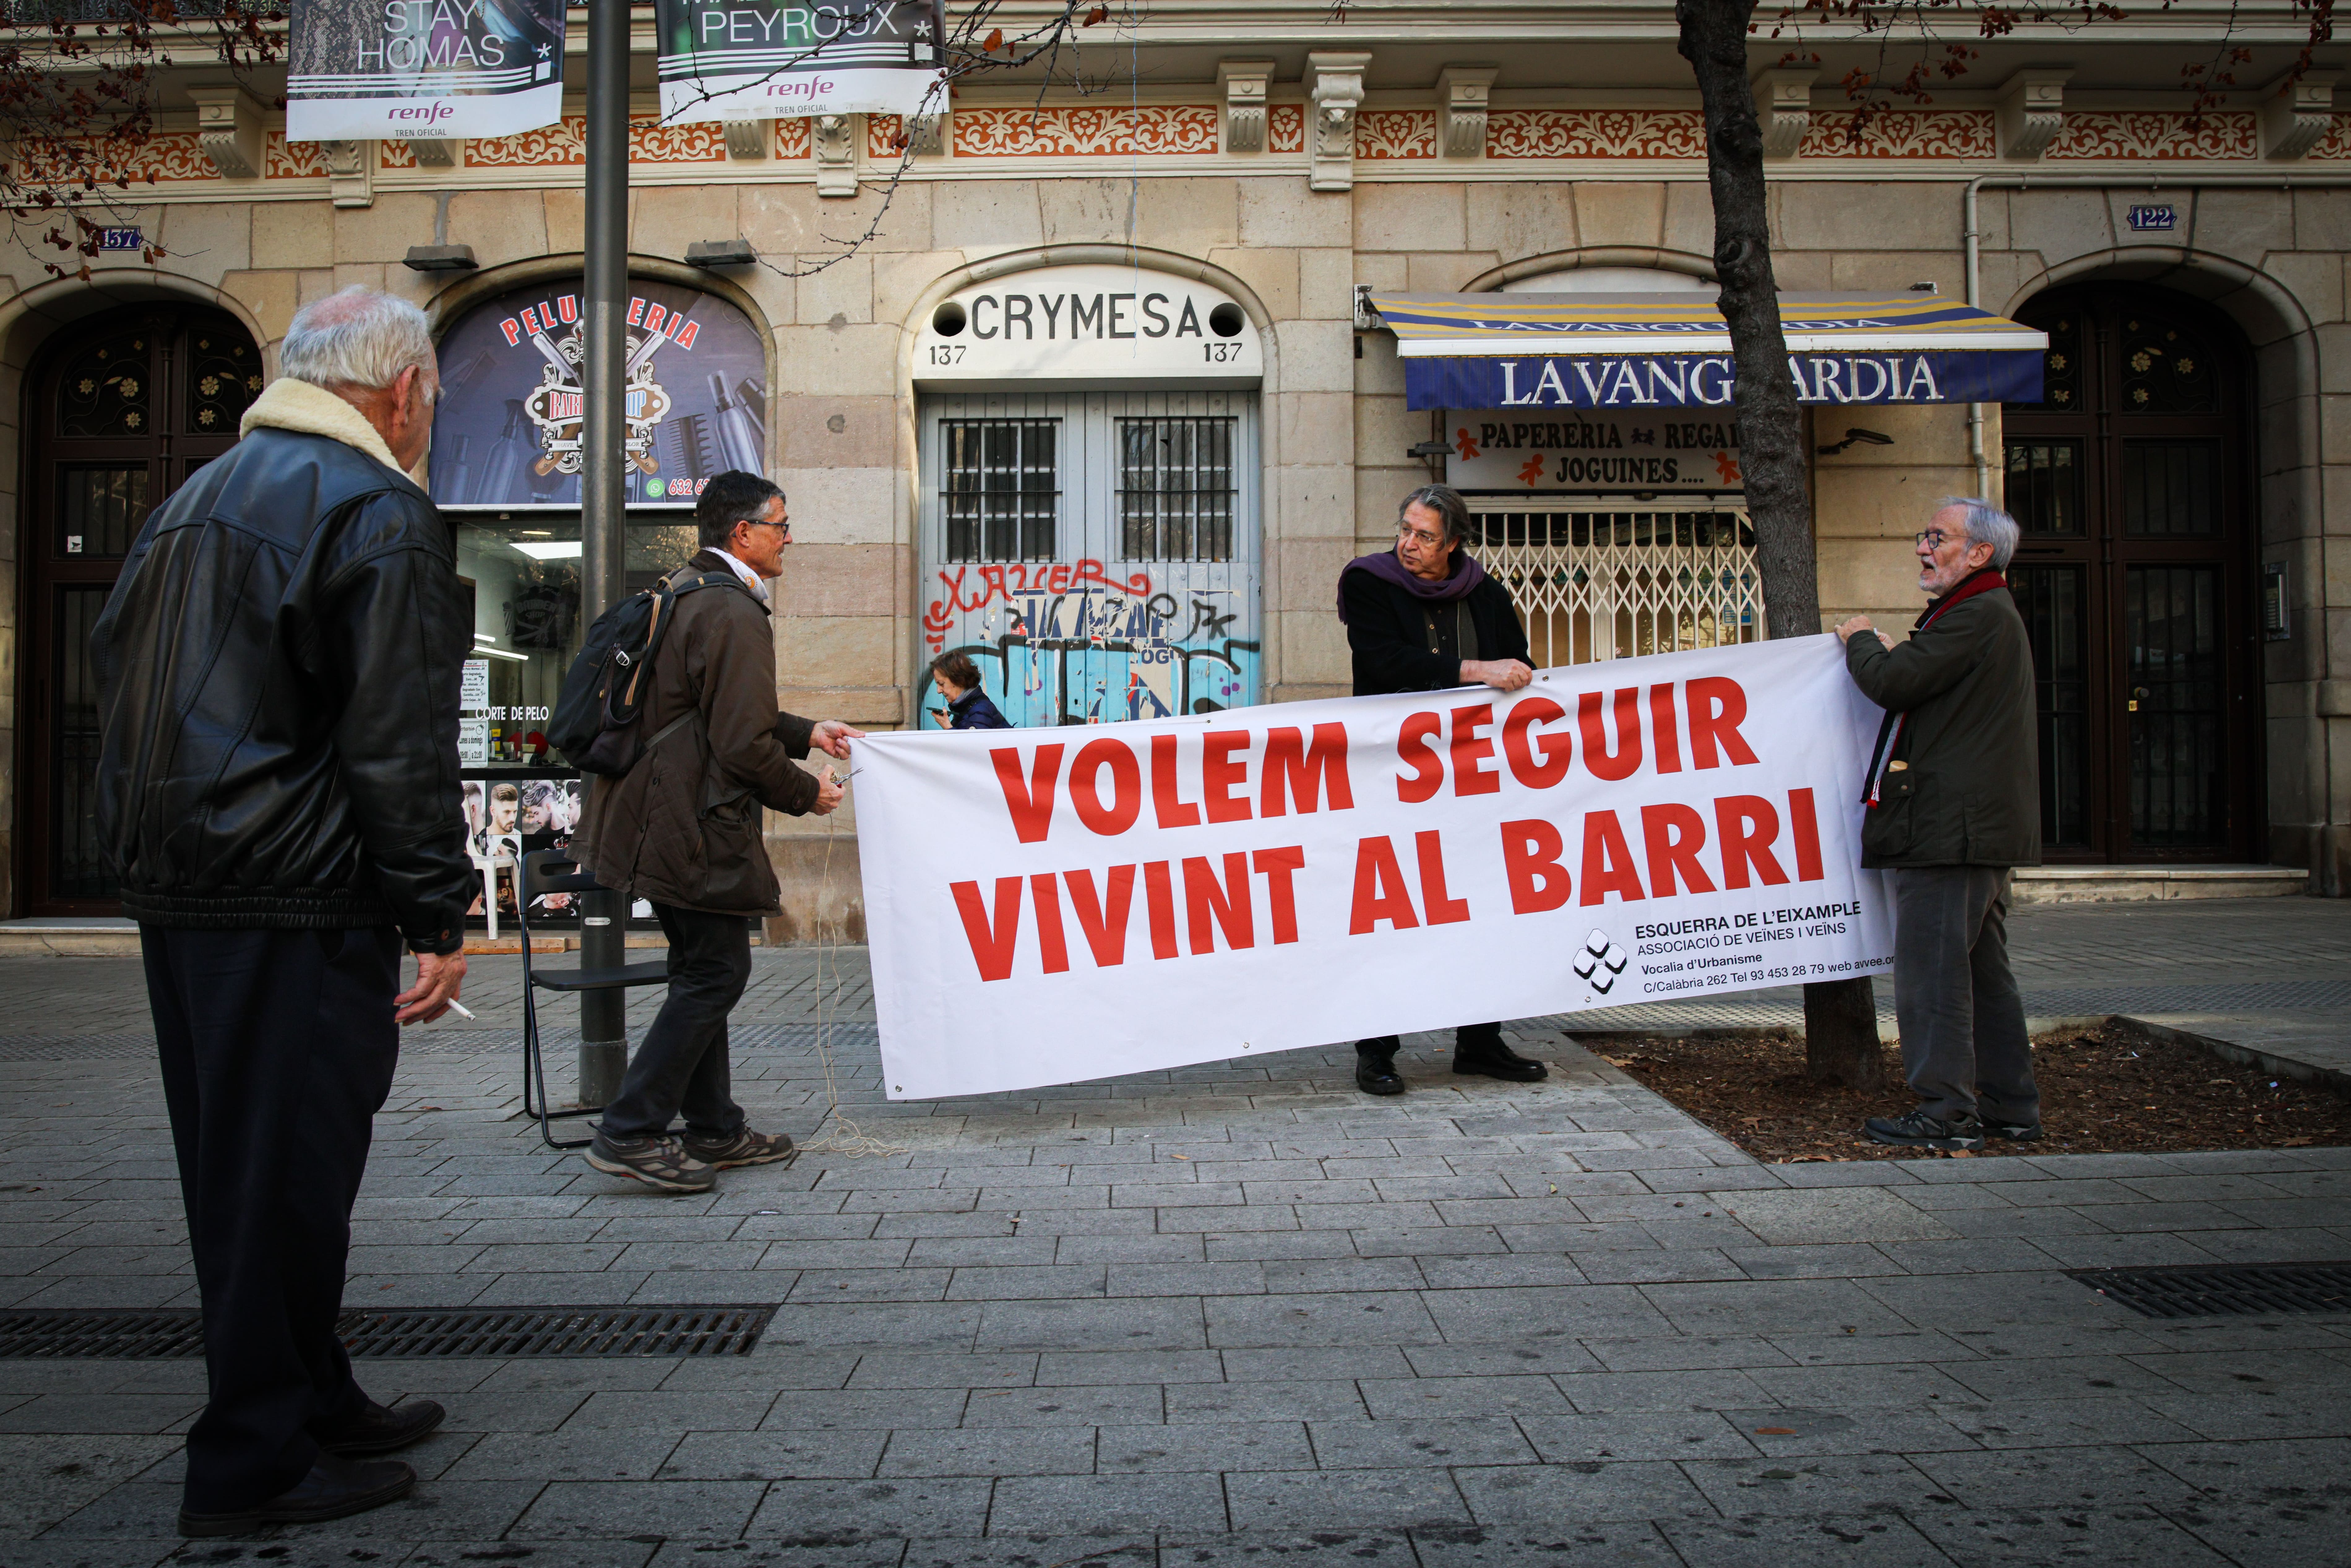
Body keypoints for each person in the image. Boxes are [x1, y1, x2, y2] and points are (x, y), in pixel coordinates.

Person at [90, 287, 471, 1536]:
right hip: (293, 894)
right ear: (403, 392)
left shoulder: (191, 500)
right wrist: (436, 909)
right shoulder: (374, 508)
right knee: (284, 1180)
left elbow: (117, 676)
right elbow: (396, 736)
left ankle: (312, 1394)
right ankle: (250, 1457)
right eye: (434, 400)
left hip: (191, 888)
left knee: (247, 1169)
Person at [575, 471, 864, 1193]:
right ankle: (631, 1130)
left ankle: (713, 1129)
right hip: (690, 822)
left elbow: (706, 710)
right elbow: (739, 745)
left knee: (701, 968)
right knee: (716, 972)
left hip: (654, 814)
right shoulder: (732, 611)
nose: (788, 538)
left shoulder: (684, 591)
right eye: (780, 524)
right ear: (743, 534)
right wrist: (807, 794)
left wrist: (806, 731)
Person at [1836, 498, 2041, 1152]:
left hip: (1949, 831)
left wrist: (1859, 638)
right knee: (1982, 977)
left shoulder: (1976, 613)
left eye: (1937, 536)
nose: (1922, 547)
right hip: (1970, 829)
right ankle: (2010, 1106)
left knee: (1932, 975)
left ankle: (1944, 1112)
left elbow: (1894, 682)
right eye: (1922, 534)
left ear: (1978, 553)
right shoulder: (1978, 614)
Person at [1337, 484, 1550, 1096]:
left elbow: (1516, 663)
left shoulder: (1484, 594)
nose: (1407, 544)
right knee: (1392, 911)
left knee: (1482, 904)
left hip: (1470, 781)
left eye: (1424, 535)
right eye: (1405, 528)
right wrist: (1473, 671)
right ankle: (1375, 1049)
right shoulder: (1368, 581)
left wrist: (1511, 673)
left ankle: (1479, 1041)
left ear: (1454, 543)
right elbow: (1382, 660)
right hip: (1393, 778)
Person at [930, 650, 1013, 730]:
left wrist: (948, 727)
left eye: (941, 684)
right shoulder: (964, 708)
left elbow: (974, 743)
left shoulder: (980, 711)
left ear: (960, 681)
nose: (939, 691)